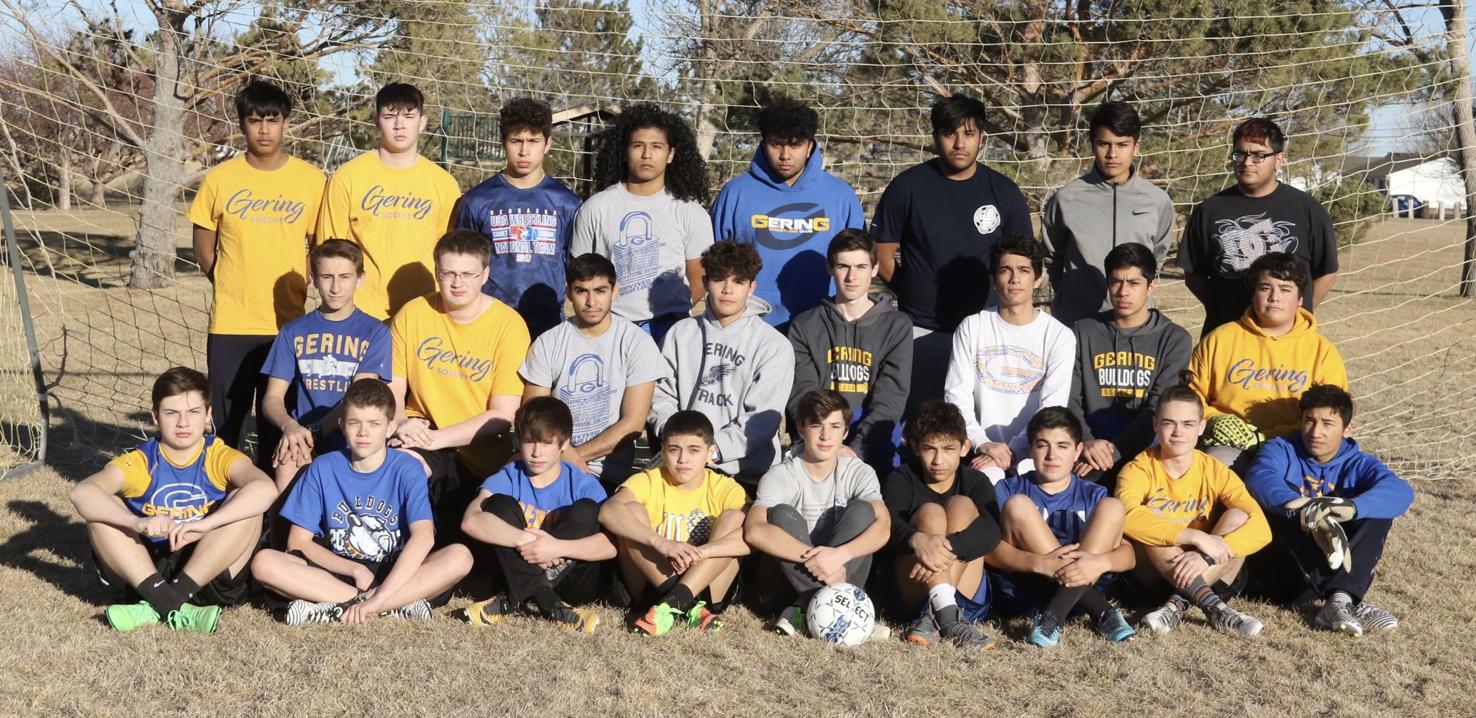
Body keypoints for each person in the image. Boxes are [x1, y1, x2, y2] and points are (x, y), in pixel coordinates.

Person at [69, 367, 278, 633]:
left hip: (207, 573)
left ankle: (165, 602)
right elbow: (81, 493)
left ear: (208, 414)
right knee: (101, 513)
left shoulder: (218, 456)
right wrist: (136, 522)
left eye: (193, 412)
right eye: (172, 413)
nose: (183, 423)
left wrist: (206, 524)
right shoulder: (142, 461)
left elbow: (266, 489)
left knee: (247, 504)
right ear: (155, 416)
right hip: (146, 575)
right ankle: (166, 601)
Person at [251, 379, 473, 624]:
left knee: (460, 557)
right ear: (341, 425)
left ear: (390, 428)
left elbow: (423, 537)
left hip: (396, 570)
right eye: (354, 422)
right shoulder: (323, 467)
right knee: (264, 562)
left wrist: (379, 596)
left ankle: (351, 606)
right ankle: (392, 606)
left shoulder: (408, 468)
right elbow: (298, 542)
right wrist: (355, 569)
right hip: (336, 569)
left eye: (374, 424)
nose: (363, 432)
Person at [189, 80, 326, 461]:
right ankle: (222, 490)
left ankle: (271, 497)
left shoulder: (312, 181)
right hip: (231, 323)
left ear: (286, 123)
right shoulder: (220, 179)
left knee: (276, 427)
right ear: (241, 124)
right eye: (254, 121)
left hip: (286, 325)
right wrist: (228, 281)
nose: (264, 130)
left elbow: (321, 246)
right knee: (227, 424)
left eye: (272, 120)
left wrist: (304, 281)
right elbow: (203, 245)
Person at [872, 93, 1031, 413]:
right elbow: (881, 253)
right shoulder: (907, 187)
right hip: (921, 329)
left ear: (981, 137)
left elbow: (1022, 260)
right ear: (935, 136)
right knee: (922, 422)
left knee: (983, 423)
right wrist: (913, 288)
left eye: (968, 133)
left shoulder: (1004, 191)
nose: (959, 143)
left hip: (987, 331)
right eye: (949, 134)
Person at [1245, 384, 1413, 636]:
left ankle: (1340, 599)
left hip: (1318, 576)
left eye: (1327, 423)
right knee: (1280, 503)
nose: (1316, 432)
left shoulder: (1359, 463)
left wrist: (1352, 508)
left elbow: (1401, 492)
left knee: (1377, 512)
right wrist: (1304, 509)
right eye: (1309, 421)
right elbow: (1260, 477)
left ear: (1347, 429)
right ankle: (1345, 601)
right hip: (1275, 570)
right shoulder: (1281, 449)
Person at [389, 229, 531, 523]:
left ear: (485, 274)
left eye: (467, 274)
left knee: (473, 529)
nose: (457, 283)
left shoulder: (509, 325)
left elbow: (503, 415)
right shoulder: (413, 313)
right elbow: (393, 388)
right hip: (422, 431)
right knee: (400, 468)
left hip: (481, 450)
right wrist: (401, 420)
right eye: (448, 273)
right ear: (436, 272)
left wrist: (436, 439)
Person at [1116, 386, 1271, 638]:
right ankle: (1216, 608)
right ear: (1155, 425)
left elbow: (1262, 529)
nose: (1178, 432)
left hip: (1211, 572)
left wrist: (1205, 557)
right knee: (1151, 517)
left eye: (1188, 424)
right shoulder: (1137, 469)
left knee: (1239, 516)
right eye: (1169, 423)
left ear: (1201, 427)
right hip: (1154, 577)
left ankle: (1177, 604)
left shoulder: (1215, 469)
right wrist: (1195, 537)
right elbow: (1126, 516)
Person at [744, 390, 890, 641]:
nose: (825, 435)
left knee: (864, 511)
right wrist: (818, 560)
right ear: (801, 429)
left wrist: (839, 556)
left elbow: (884, 526)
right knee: (781, 514)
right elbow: (754, 530)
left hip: (841, 570)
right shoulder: (781, 474)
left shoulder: (859, 472)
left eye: (834, 426)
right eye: (816, 425)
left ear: (845, 432)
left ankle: (801, 610)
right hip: (784, 588)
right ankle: (851, 617)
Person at [459, 397, 614, 633]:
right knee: (498, 504)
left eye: (546, 443)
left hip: (570, 585)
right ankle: (550, 604)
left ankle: (511, 599)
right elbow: (471, 520)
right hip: (513, 574)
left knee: (586, 510)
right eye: (529, 441)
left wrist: (557, 547)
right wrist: (528, 541)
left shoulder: (582, 483)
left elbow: (611, 546)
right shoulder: (509, 476)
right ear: (518, 441)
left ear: (564, 443)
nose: (536, 452)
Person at [1186, 252, 1347, 474]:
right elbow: (1190, 397)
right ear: (1253, 295)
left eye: (1285, 289)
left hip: (1295, 446)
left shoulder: (1322, 351)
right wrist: (1214, 419)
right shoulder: (1220, 339)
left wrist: (1266, 437)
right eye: (1265, 288)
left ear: (1300, 300)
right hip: (1230, 445)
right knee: (1217, 464)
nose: (1274, 297)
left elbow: (1332, 414)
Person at [709, 96, 864, 327]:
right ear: (763, 144)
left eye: (795, 145)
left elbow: (858, 264)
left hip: (822, 326)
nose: (785, 155)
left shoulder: (841, 196)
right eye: (776, 144)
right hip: (751, 324)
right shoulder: (735, 193)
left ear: (810, 146)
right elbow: (715, 262)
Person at [1177, 116, 1339, 337]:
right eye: (1240, 154)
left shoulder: (1308, 210)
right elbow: (1194, 276)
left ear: (1278, 159)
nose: (1247, 162)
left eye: (1258, 155)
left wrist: (1294, 312)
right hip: (1228, 336)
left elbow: (1327, 272)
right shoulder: (1209, 211)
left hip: (1287, 340)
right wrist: (1223, 309)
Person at [650, 240, 794, 486]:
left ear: (751, 287)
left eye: (738, 281)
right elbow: (659, 395)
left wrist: (714, 450)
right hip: (681, 466)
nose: (728, 290)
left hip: (745, 475)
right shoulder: (680, 333)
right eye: (719, 280)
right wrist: (678, 440)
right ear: (705, 282)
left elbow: (762, 420)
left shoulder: (773, 345)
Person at [991, 407, 1137, 648]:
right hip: (1029, 593)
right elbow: (990, 551)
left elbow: (1129, 556)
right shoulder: (1008, 489)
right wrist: (1042, 563)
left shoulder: (1094, 493)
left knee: (1112, 506)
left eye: (1062, 446)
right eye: (1042, 445)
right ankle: (1102, 611)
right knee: (1018, 505)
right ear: (1030, 448)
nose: (1052, 455)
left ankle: (1054, 615)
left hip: (1082, 598)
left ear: (1078, 451)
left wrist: (1100, 563)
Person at [318, 82, 462, 321]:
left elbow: (450, 254)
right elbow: (329, 250)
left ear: (422, 122)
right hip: (360, 312)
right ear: (377, 121)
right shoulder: (347, 177)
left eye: (408, 116)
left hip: (423, 312)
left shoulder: (444, 184)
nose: (399, 125)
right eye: (389, 116)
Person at [519, 253, 662, 491]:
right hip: (546, 466)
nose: (591, 301)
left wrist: (575, 457)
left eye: (600, 290)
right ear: (568, 292)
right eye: (581, 291)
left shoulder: (637, 343)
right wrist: (562, 455)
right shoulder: (548, 342)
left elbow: (633, 423)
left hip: (607, 475)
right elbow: (533, 416)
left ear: (614, 291)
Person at [598, 411, 750, 636]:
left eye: (694, 450)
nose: (683, 459)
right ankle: (682, 603)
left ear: (710, 453)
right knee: (630, 510)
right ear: (662, 451)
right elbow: (608, 511)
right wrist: (662, 543)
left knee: (736, 518)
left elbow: (753, 536)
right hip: (653, 584)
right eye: (674, 450)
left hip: (707, 587)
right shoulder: (650, 480)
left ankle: (678, 600)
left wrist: (703, 552)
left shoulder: (724, 487)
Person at [571, 103, 713, 344]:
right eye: (638, 145)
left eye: (656, 146)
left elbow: (699, 276)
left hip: (670, 328)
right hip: (612, 327)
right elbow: (580, 274)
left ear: (670, 154)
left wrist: (672, 314)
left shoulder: (690, 212)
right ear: (625, 152)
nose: (647, 154)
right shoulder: (595, 208)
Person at [261, 239, 392, 492]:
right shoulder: (293, 331)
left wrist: (316, 432)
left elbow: (359, 399)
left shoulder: (375, 332)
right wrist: (290, 426)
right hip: (302, 436)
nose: (335, 287)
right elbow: (272, 398)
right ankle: (279, 519)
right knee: (287, 461)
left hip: (354, 438)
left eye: (345, 277)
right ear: (313, 279)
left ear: (360, 279)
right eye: (327, 277)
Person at [944, 235, 1074, 480]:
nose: (1015, 279)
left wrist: (1013, 450)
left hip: (1037, 460)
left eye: (1024, 270)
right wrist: (982, 443)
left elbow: (1051, 406)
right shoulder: (972, 327)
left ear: (1038, 279)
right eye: (1005, 270)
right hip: (981, 455)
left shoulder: (1060, 336)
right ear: (993, 280)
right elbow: (956, 396)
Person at [455, 97, 582, 338]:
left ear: (547, 144)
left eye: (533, 141)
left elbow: (574, 267)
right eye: (516, 141)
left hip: (548, 326)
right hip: (490, 322)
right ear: (503, 143)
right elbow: (461, 263)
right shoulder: (477, 201)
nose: (524, 151)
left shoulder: (567, 203)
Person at [880, 400, 1003, 649]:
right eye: (930, 449)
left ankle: (937, 611)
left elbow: (992, 532)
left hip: (965, 596)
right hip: (912, 596)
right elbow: (887, 525)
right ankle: (947, 615)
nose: (938, 459)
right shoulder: (901, 479)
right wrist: (917, 539)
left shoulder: (976, 481)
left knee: (961, 504)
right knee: (931, 513)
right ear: (915, 447)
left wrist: (944, 548)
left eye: (948, 449)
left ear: (964, 447)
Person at [1067, 243, 1191, 487]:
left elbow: (1158, 408)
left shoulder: (1175, 339)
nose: (1123, 291)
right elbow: (1069, 398)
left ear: (1151, 286)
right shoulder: (1083, 332)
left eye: (1134, 283)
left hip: (1146, 449)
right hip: (1088, 449)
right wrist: (1086, 441)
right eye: (1116, 282)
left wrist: (1113, 453)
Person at [787, 229, 912, 472]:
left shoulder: (897, 326)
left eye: (861, 267)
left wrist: (856, 449)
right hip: (818, 443)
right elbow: (803, 395)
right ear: (830, 268)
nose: (851, 276)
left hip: (874, 443)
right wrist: (827, 444)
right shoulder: (805, 325)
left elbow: (890, 399)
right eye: (843, 266)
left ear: (875, 269)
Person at [1042, 100, 1176, 326]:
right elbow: (1053, 260)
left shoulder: (1157, 201)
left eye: (1122, 145)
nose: (1112, 154)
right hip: (1078, 322)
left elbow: (1156, 259)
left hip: (1134, 326)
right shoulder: (1065, 199)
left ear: (1136, 146)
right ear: (1092, 143)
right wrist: (1073, 299)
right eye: (1104, 144)